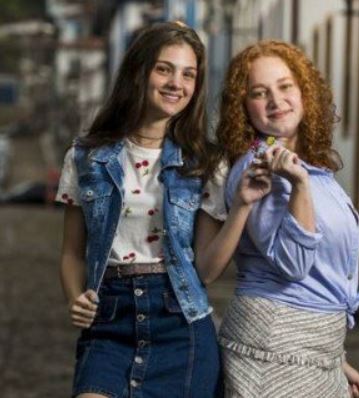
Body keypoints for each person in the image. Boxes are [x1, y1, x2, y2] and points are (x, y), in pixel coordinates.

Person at [57, 21, 270, 398]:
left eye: (189, 74)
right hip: (109, 322)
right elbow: (73, 252)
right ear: (139, 72)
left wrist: (241, 208)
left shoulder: (206, 163)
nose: (177, 83)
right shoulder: (85, 157)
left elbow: (205, 269)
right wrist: (76, 296)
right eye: (164, 69)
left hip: (181, 323)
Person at [211, 40, 359, 398]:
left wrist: (335, 357)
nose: (276, 100)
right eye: (259, 92)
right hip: (273, 348)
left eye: (285, 86)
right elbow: (294, 264)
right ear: (244, 107)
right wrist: (298, 185)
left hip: (310, 350)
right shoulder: (260, 168)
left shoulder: (308, 166)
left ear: (304, 92)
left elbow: (326, 271)